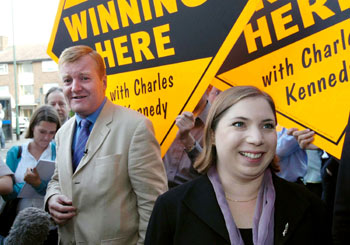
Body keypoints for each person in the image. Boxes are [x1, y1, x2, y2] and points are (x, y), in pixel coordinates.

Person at [145, 86, 331, 245]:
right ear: (212, 135)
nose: (256, 138)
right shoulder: (172, 208)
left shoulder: (308, 207)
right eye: (239, 124)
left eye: (267, 126)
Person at [44, 45, 167, 244]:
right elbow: (58, 179)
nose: (75, 87)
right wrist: (52, 198)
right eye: (68, 80)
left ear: (104, 81)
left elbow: (153, 206)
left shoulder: (135, 127)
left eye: (84, 78)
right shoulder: (62, 134)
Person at [2, 105, 60, 210]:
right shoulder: (15, 153)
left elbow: (62, 188)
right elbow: (7, 194)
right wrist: (31, 183)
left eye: (52, 133)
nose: (47, 137)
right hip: (19, 216)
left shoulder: (59, 151)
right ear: (33, 127)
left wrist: (37, 184)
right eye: (42, 132)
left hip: (51, 218)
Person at [163, 88, 211, 188]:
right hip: (157, 189)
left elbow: (213, 171)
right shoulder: (163, 113)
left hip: (192, 195)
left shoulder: (217, 123)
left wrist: (188, 141)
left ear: (209, 88)